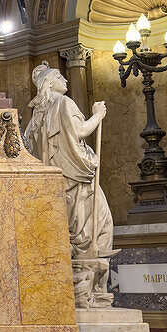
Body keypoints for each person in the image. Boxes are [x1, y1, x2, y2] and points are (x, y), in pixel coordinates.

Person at [23, 61, 114, 307]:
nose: (65, 80)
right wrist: (98, 114)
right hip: (77, 177)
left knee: (73, 232)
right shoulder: (65, 103)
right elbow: (81, 131)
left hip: (56, 183)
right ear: (49, 83)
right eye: (60, 77)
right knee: (100, 226)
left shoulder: (37, 114)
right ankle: (90, 292)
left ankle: (76, 290)